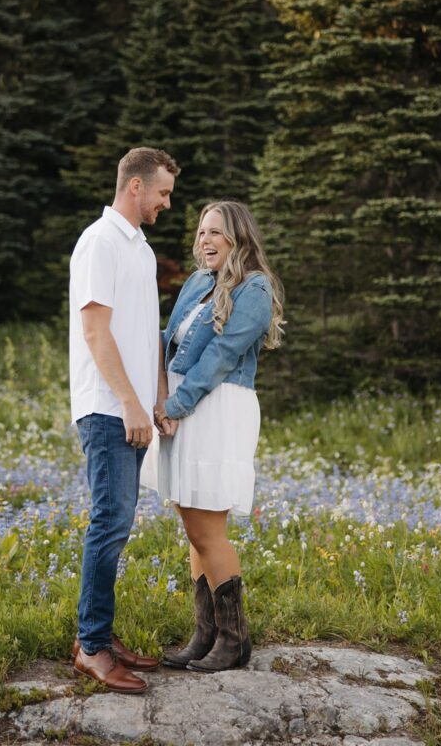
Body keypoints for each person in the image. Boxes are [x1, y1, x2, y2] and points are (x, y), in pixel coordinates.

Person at [143, 199, 284, 672]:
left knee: (208, 526)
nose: (205, 241)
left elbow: (221, 355)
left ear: (238, 238)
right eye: (201, 233)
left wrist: (177, 406)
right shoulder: (199, 283)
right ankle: (205, 633)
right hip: (186, 403)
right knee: (191, 523)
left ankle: (234, 639)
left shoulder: (255, 288)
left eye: (215, 233)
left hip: (217, 405)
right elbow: (171, 341)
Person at [68, 147, 180, 694]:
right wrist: (130, 403)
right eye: (162, 193)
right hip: (108, 408)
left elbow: (146, 333)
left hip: (134, 408)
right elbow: (95, 331)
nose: (165, 203)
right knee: (108, 523)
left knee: (117, 524)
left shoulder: (141, 249)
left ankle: (101, 638)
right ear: (135, 187)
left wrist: (156, 395)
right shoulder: (99, 242)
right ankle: (91, 649)